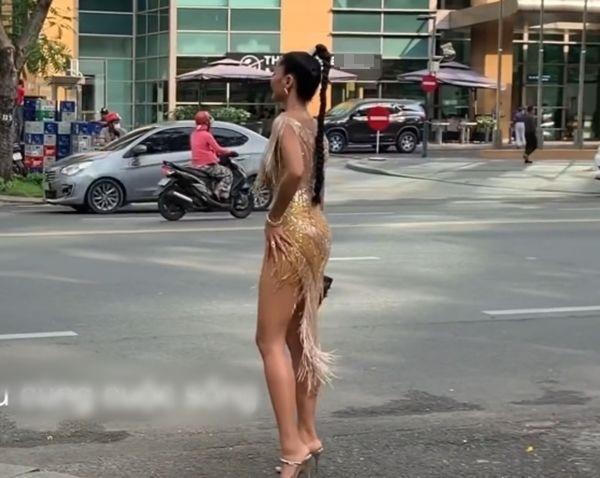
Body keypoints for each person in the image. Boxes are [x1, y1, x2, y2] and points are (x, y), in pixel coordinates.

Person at [253, 44, 332, 478]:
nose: (270, 79)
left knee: (269, 341)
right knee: (301, 338)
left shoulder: (285, 122)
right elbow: (314, 181)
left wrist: (273, 218)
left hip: (292, 230)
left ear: (288, 82)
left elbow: (297, 171)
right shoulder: (315, 125)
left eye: (274, 73)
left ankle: (292, 447)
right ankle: (308, 433)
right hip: (317, 229)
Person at [190, 111, 234, 201]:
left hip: (195, 165)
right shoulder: (206, 135)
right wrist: (229, 151)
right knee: (228, 173)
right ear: (207, 122)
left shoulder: (193, 134)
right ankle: (220, 195)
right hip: (207, 165)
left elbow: (203, 147)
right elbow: (218, 149)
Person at [14, 79, 25, 143]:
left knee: (16, 122)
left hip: (17, 106)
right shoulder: (20, 90)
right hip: (19, 106)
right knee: (20, 122)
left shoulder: (18, 90)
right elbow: (20, 99)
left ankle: (17, 138)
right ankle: (18, 138)